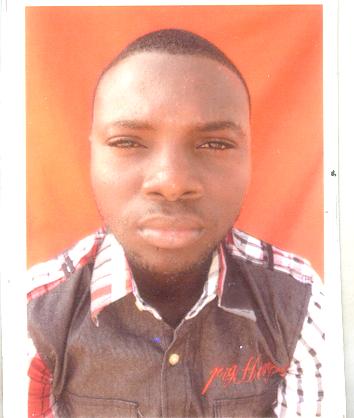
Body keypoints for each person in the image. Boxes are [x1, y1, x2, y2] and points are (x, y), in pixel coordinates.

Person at [27, 29, 324, 418]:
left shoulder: (300, 301)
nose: (171, 183)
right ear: (92, 155)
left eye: (214, 144)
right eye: (128, 142)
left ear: (251, 156)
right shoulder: (33, 312)